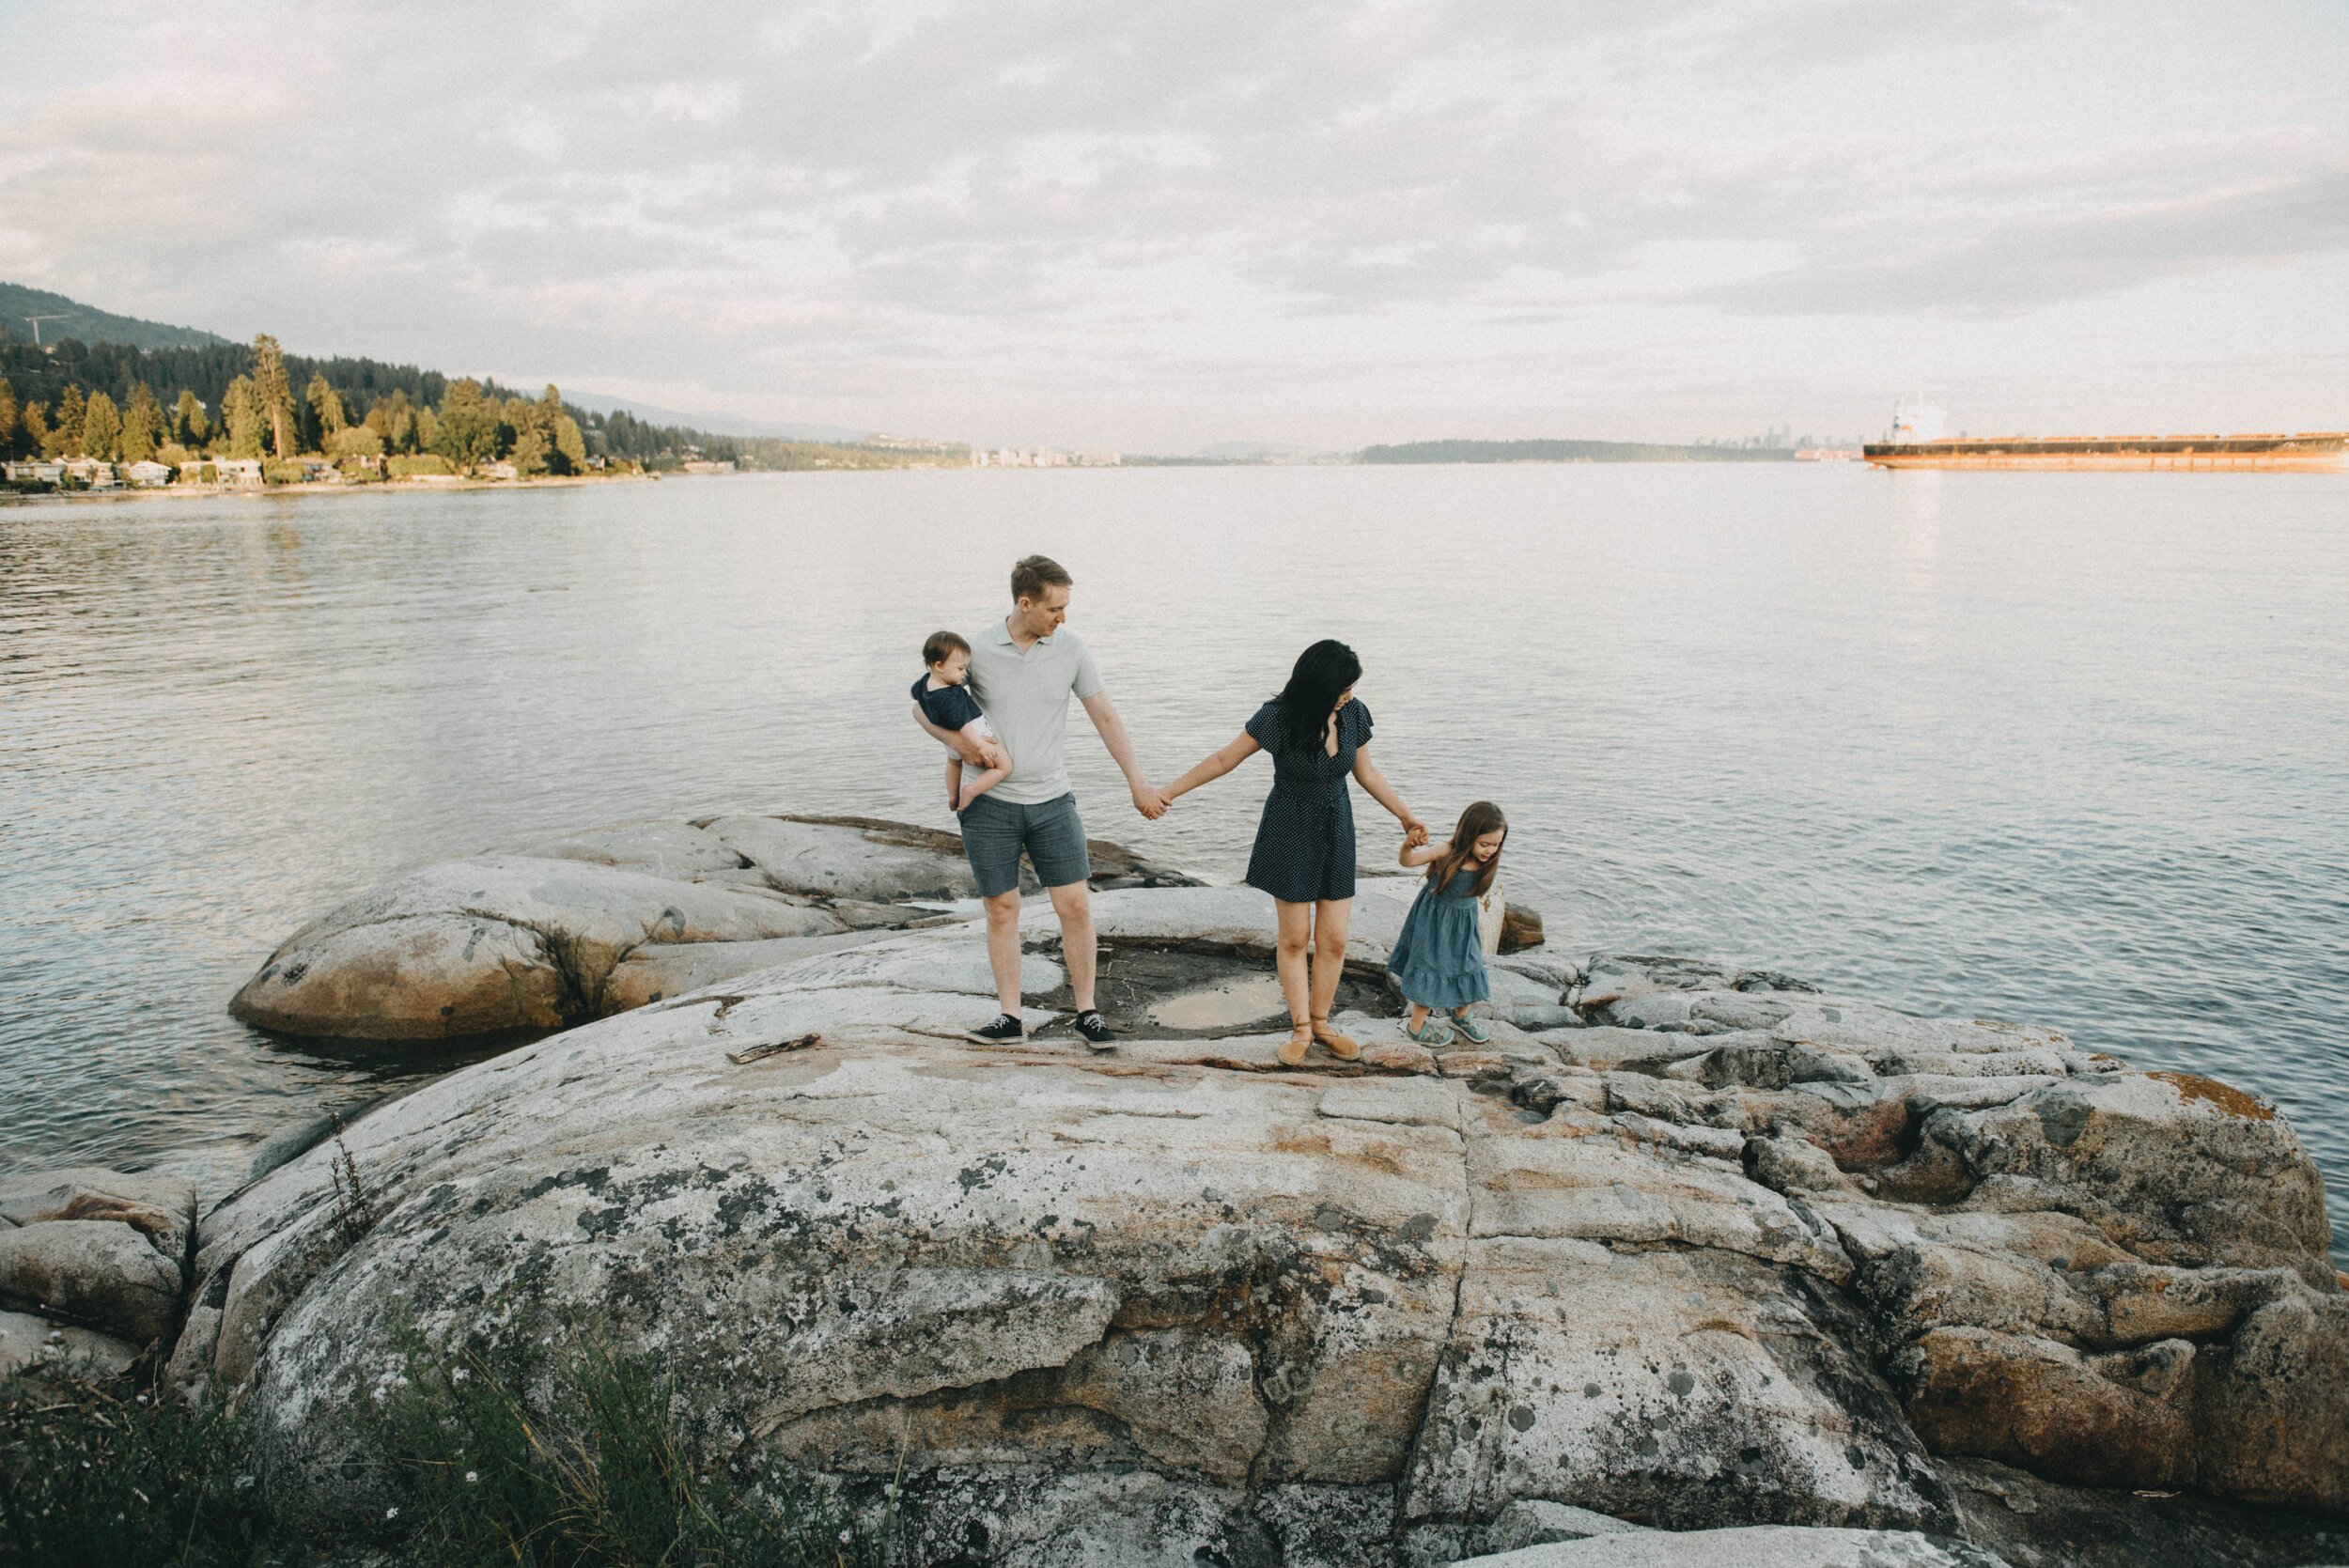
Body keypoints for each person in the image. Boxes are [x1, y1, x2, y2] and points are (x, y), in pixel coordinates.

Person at [911, 555, 1168, 1050]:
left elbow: (1106, 717)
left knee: (1074, 907)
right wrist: (963, 749)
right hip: (989, 805)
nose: (1063, 617)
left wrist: (1137, 781)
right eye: (1055, 608)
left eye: (1066, 607)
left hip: (1052, 799)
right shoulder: (977, 651)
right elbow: (922, 704)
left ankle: (1088, 1013)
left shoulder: (1070, 649)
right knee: (1002, 909)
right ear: (1025, 604)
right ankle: (1010, 1017)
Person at [1159, 639, 1426, 1065]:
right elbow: (1225, 759)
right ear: (1319, 687)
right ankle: (1301, 1027)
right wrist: (1169, 792)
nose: (1350, 695)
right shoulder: (1277, 718)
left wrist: (1406, 816)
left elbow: (1367, 773)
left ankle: (1322, 1023)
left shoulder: (1354, 714)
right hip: (1290, 825)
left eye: (1352, 687)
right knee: (1295, 937)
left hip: (1338, 826)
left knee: (1335, 939)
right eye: (1342, 689)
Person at [1390, 801, 1508, 1046]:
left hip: (1464, 924)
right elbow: (1407, 862)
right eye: (1484, 844)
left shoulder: (1486, 863)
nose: (1490, 851)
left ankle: (1461, 1015)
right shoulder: (1447, 851)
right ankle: (1416, 1027)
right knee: (1431, 966)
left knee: (1469, 963)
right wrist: (1406, 845)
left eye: (1495, 845)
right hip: (1435, 922)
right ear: (1468, 835)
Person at [912, 630, 1010, 812]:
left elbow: (913, 694)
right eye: (960, 668)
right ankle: (971, 790)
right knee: (1004, 767)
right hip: (974, 734)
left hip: (949, 741)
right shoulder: (951, 696)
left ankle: (952, 795)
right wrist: (981, 745)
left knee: (953, 762)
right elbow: (963, 725)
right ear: (939, 665)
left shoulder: (925, 683)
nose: (964, 673)